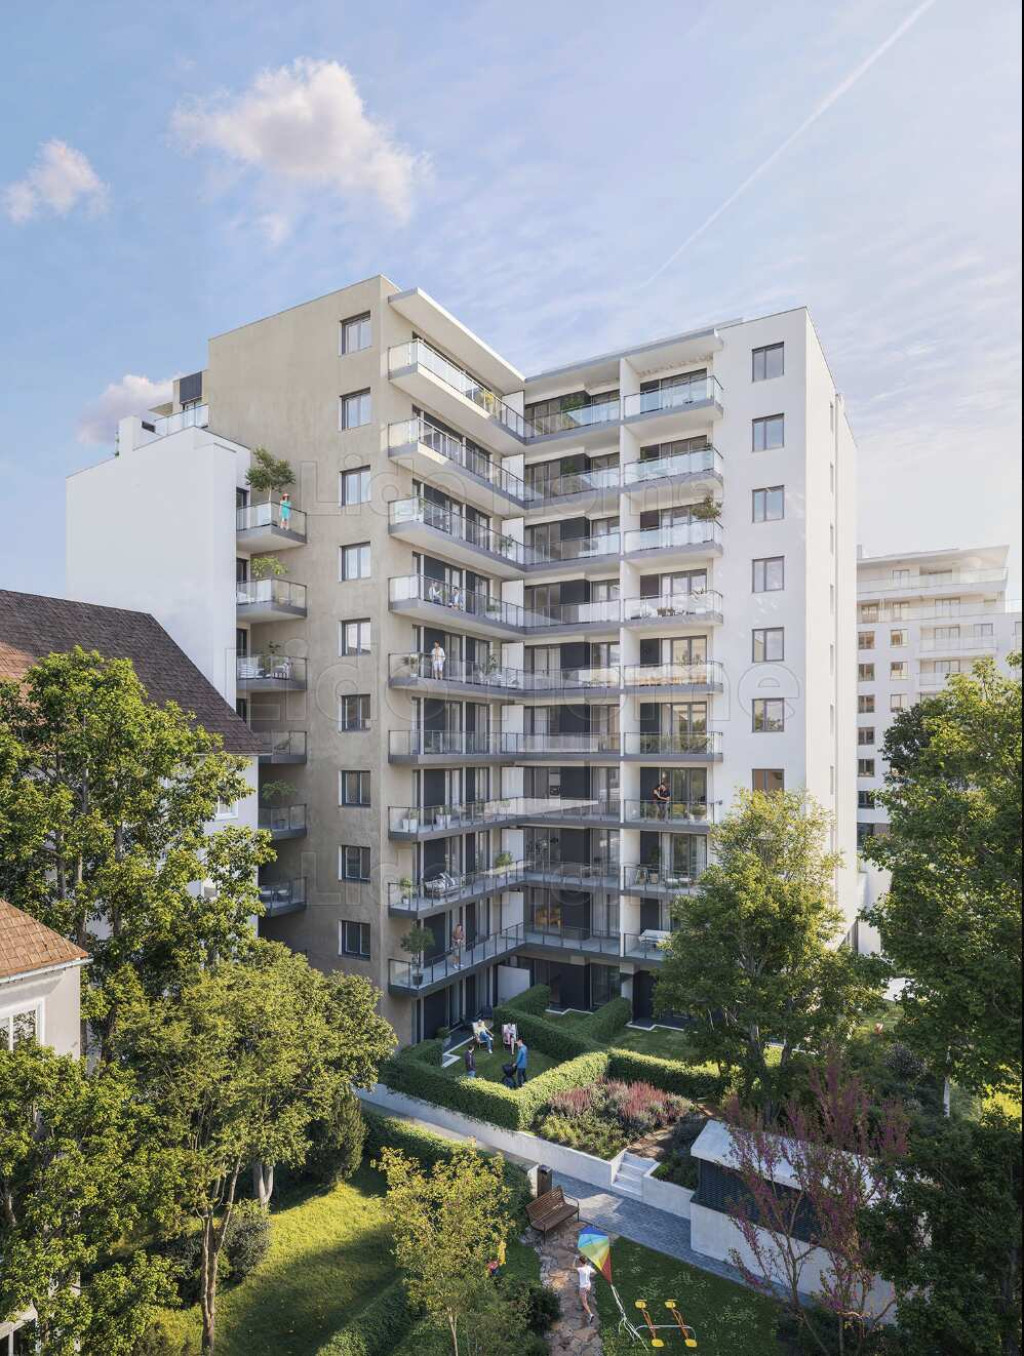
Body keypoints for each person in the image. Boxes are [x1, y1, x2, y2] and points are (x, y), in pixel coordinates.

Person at [575, 1255, 596, 1324]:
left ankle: (590, 1314)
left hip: (583, 1287)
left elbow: (572, 1267)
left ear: (580, 1262)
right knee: (583, 1297)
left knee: (584, 1302)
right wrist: (589, 1275)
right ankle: (584, 1305)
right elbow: (595, 1272)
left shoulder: (580, 1269)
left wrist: (574, 1259)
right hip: (588, 1286)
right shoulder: (589, 1268)